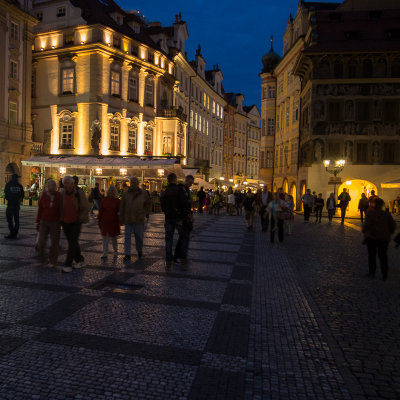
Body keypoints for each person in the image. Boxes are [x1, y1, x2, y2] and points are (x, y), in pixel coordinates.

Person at [161, 173, 192, 271]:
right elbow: (184, 205)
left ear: (168, 180)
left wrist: (167, 215)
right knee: (184, 238)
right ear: (175, 180)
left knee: (168, 240)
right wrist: (182, 218)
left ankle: (168, 262)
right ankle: (183, 261)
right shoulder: (180, 190)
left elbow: (163, 206)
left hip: (168, 219)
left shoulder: (165, 191)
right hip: (179, 219)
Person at [60, 175, 90, 272]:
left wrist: (81, 218)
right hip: (65, 221)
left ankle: (67, 264)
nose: (65, 185)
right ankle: (80, 259)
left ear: (72, 183)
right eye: (64, 183)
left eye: (67, 183)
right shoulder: (62, 193)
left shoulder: (78, 192)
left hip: (76, 221)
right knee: (73, 242)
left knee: (72, 242)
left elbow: (85, 206)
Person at [362, 198, 396, 280]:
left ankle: (372, 272)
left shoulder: (370, 213)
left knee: (372, 256)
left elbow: (366, 225)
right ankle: (384, 273)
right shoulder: (387, 214)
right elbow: (392, 226)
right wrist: (389, 233)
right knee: (383, 256)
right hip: (384, 238)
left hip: (372, 237)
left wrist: (364, 231)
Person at [120, 177, 150, 261]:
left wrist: (145, 212)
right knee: (127, 237)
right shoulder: (125, 193)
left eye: (134, 182)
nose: (133, 184)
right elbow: (122, 206)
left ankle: (139, 250)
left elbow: (148, 203)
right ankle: (127, 254)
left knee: (139, 237)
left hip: (138, 219)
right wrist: (121, 217)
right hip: (128, 218)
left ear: (138, 183)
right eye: (131, 182)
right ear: (129, 183)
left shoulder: (143, 193)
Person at [36, 179, 62, 267]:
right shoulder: (44, 195)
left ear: (55, 187)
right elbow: (40, 208)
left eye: (53, 187)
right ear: (47, 187)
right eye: (50, 187)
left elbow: (62, 209)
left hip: (55, 222)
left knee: (54, 242)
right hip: (44, 221)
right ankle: (41, 258)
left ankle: (53, 261)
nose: (51, 189)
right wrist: (37, 221)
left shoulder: (59, 195)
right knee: (41, 240)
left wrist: (61, 221)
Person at [173, 175, 194, 264]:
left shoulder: (186, 190)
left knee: (183, 237)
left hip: (186, 217)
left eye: (192, 183)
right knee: (185, 237)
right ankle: (183, 258)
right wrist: (180, 218)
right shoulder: (181, 190)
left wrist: (191, 216)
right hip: (181, 218)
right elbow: (179, 204)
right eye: (190, 183)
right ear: (186, 180)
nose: (191, 185)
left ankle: (176, 256)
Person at [98, 185, 120, 259]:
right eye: (110, 191)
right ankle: (104, 252)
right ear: (108, 192)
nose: (111, 192)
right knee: (105, 238)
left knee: (114, 238)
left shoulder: (117, 201)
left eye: (113, 191)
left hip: (114, 222)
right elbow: (101, 210)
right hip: (105, 221)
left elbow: (120, 211)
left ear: (115, 192)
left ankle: (115, 250)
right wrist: (99, 219)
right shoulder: (104, 200)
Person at [4, 173, 24, 239]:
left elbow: (6, 194)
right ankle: (15, 233)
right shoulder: (19, 185)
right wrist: (17, 198)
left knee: (9, 220)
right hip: (16, 205)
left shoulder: (8, 184)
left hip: (10, 204)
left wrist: (9, 198)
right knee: (16, 219)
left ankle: (12, 233)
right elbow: (22, 195)